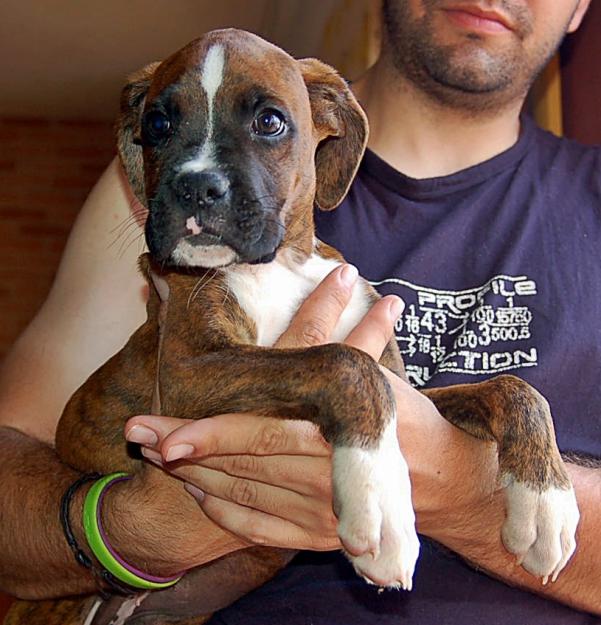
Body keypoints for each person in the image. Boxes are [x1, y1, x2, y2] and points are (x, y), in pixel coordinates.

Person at [0, 0, 599, 623]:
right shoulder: (173, 243)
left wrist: (463, 481)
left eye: (266, 122)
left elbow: (409, 414)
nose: (199, 175)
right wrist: (126, 534)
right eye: (160, 131)